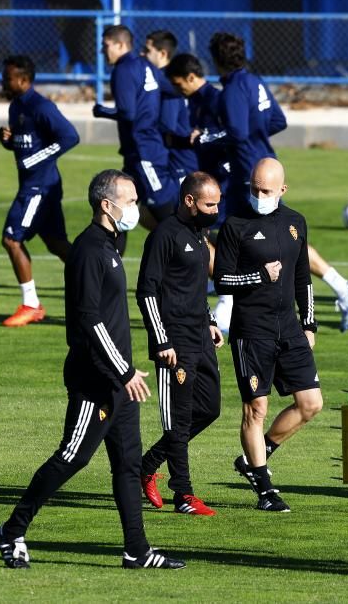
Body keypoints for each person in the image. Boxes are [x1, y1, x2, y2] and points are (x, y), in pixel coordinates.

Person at [0, 169, 185, 570]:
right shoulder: (89, 250)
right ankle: (12, 531)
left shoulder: (112, 245)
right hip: (96, 379)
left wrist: (128, 372)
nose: (136, 208)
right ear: (106, 204)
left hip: (121, 381)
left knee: (129, 465)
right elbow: (88, 319)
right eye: (130, 200)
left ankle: (137, 550)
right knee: (73, 456)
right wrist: (123, 371)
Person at [208, 32, 348, 333]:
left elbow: (237, 134)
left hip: (248, 174)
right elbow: (278, 121)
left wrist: (208, 138)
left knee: (222, 231)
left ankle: (226, 307)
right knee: (251, 234)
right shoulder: (255, 81)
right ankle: (341, 286)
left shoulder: (232, 90)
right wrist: (257, 135)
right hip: (267, 162)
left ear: (215, 59)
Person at [213, 158, 321, 513]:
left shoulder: (295, 223)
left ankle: (256, 456)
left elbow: (303, 276)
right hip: (252, 330)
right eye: (254, 189)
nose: (259, 196)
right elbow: (223, 280)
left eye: (266, 191)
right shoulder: (235, 225)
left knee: (311, 404)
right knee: (256, 409)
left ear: (282, 190)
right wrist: (259, 276)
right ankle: (265, 489)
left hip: (288, 327)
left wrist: (308, 323)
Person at [137, 172, 224, 516]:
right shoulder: (164, 236)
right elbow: (147, 291)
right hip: (174, 344)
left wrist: (212, 322)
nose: (215, 210)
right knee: (178, 419)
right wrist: (161, 340)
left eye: (217, 203)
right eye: (209, 204)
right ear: (190, 201)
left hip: (201, 337)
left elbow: (194, 288)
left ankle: (148, 463)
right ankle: (184, 495)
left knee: (210, 409)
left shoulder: (199, 234)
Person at [0, 55, 79, 327]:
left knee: (12, 239)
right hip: (37, 185)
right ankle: (99, 281)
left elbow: (69, 137)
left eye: (7, 77)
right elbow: (25, 145)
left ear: (23, 79)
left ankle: (31, 304)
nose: (3, 82)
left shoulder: (42, 106)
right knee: (57, 244)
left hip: (39, 187)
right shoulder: (16, 107)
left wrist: (36, 159)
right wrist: (8, 142)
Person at [93, 25, 172, 231]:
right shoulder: (146, 66)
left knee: (166, 214)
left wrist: (102, 111)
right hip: (139, 152)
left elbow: (128, 113)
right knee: (117, 212)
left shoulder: (123, 70)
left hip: (144, 152)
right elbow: (171, 91)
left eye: (105, 45)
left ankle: (201, 255)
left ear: (120, 44)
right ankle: (109, 261)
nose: (102, 51)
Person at [142, 30, 198, 200]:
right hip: (176, 152)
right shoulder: (166, 79)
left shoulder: (167, 81)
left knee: (181, 212)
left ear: (163, 53)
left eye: (147, 50)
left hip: (180, 156)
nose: (141, 54)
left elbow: (168, 125)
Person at [165, 53, 230, 200]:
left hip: (223, 176)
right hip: (206, 172)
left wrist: (205, 134)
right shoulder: (193, 100)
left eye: (178, 84)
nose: (176, 90)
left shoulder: (216, 99)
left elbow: (231, 133)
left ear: (191, 77)